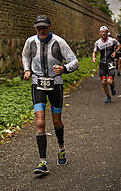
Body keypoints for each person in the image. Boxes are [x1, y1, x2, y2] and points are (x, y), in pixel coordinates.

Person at [22, 15, 79, 174]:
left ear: (49, 27)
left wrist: (64, 69)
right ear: (35, 28)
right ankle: (42, 162)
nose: (41, 31)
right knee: (40, 122)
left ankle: (61, 148)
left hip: (56, 85)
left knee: (56, 120)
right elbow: (25, 55)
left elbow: (74, 61)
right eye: (39, 28)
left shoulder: (59, 42)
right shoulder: (30, 41)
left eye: (44, 28)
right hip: (37, 84)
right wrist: (27, 69)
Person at [93, 26, 121, 103]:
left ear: (107, 32)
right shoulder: (97, 42)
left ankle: (112, 87)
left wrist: (115, 52)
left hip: (110, 63)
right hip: (102, 64)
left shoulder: (112, 40)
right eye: (102, 32)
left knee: (110, 81)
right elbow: (94, 51)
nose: (103, 33)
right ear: (100, 33)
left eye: (105, 32)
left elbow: (119, 45)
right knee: (103, 82)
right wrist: (94, 58)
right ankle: (108, 97)